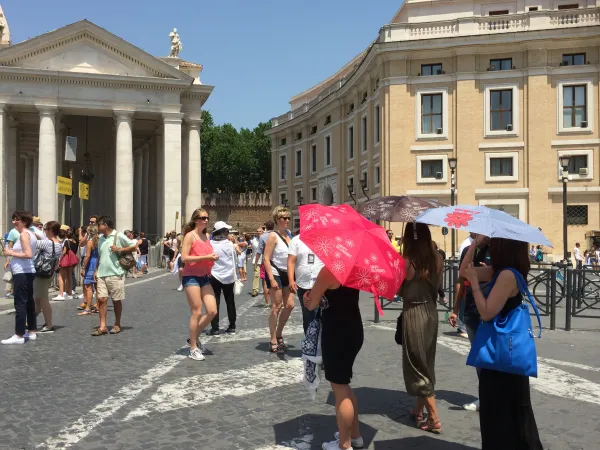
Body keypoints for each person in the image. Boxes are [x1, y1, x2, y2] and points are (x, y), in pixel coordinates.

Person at [461, 238, 543, 450]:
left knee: (501, 418)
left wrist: (476, 285)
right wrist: (475, 245)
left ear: (503, 247)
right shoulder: (501, 271)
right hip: (504, 356)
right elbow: (464, 271)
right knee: (510, 416)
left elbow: (487, 312)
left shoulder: (506, 275)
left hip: (501, 360)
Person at [304, 267, 364, 450]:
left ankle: (344, 445)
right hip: (353, 329)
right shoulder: (355, 269)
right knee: (344, 384)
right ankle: (354, 436)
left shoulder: (329, 271)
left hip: (336, 332)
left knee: (339, 387)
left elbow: (312, 304)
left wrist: (307, 296)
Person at [400, 222, 443, 433]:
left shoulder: (407, 262)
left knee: (415, 364)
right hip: (431, 312)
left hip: (414, 313)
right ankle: (418, 410)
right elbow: (436, 286)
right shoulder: (437, 258)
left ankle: (434, 418)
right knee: (426, 360)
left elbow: (398, 290)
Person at [449, 233, 491, 412]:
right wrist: (455, 309)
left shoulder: (497, 251)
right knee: (479, 357)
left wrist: (487, 271)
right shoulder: (469, 250)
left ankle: (493, 396)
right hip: (471, 312)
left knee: (491, 357)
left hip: (490, 311)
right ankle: (485, 396)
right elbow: (461, 278)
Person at [180, 208, 219, 361]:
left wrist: (213, 257)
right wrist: (207, 256)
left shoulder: (206, 236)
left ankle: (193, 337)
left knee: (212, 311)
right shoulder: (190, 236)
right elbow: (184, 257)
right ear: (196, 220)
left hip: (204, 276)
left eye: (207, 218)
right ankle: (193, 348)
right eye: (202, 218)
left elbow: (206, 254)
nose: (206, 220)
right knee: (197, 312)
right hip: (191, 277)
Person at [92, 216, 138, 336]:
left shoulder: (118, 235)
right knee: (101, 299)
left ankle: (117, 324)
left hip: (116, 273)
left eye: (99, 225)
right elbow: (100, 256)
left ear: (105, 225)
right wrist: (96, 270)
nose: (98, 227)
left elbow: (134, 246)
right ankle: (102, 326)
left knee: (116, 300)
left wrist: (120, 249)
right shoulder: (101, 239)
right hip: (102, 273)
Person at [2, 211, 38, 345]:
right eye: (13, 219)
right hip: (28, 271)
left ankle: (19, 334)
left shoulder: (23, 235)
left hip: (22, 272)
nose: (13, 222)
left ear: (24, 221)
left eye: (16, 220)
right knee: (29, 302)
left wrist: (10, 252)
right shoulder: (32, 234)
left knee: (20, 303)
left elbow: (28, 254)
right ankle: (32, 331)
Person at [263, 207, 294, 353]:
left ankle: (279, 332)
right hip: (275, 273)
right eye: (283, 218)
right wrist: (271, 278)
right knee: (276, 306)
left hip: (288, 274)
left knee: (289, 305)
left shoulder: (289, 235)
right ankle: (273, 339)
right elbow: (266, 258)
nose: (287, 220)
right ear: (277, 220)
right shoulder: (273, 236)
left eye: (288, 218)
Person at [287, 233, 324, 334]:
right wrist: (291, 280)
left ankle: (322, 344)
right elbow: (291, 261)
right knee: (308, 315)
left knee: (322, 314)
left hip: (321, 284)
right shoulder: (296, 240)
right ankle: (309, 344)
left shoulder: (323, 239)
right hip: (303, 283)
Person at [209, 221, 238, 335]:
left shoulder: (210, 244)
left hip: (214, 275)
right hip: (228, 276)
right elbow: (234, 261)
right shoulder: (230, 245)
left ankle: (215, 327)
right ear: (222, 232)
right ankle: (232, 326)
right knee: (230, 301)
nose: (228, 233)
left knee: (215, 301)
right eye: (227, 231)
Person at [34, 221, 63, 332]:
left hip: (41, 273)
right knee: (38, 298)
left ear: (50, 231)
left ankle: (49, 323)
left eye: (45, 229)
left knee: (43, 299)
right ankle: (30, 320)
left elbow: (32, 243)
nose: (44, 231)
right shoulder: (58, 244)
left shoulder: (47, 243)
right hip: (49, 272)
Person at [78, 225, 100, 316]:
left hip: (91, 264)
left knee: (88, 286)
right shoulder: (99, 241)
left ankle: (87, 308)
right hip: (97, 263)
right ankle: (98, 305)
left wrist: (83, 267)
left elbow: (87, 256)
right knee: (97, 286)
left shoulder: (90, 242)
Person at [54, 227, 78, 301]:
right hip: (71, 261)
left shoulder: (66, 242)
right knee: (69, 276)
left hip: (65, 260)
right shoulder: (75, 241)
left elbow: (64, 252)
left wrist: (59, 259)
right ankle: (69, 293)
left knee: (61, 277)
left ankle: (61, 294)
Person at [257, 222, 274, 308]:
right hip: (275, 262)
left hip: (265, 261)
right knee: (277, 281)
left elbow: (259, 251)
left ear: (266, 228)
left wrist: (256, 262)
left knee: (265, 282)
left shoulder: (262, 237)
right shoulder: (277, 235)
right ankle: (278, 302)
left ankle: (267, 303)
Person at [4, 223, 20, 299]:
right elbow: (9, 248)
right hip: (13, 258)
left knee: (14, 276)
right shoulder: (13, 232)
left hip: (18, 258)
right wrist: (7, 261)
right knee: (10, 275)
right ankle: (9, 292)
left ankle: (12, 291)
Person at [251, 228, 263, 297]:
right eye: (257, 231)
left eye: (260, 231)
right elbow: (254, 251)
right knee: (256, 275)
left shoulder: (265, 239)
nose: (258, 233)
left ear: (262, 232)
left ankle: (267, 290)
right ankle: (255, 290)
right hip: (256, 260)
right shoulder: (254, 240)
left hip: (264, 260)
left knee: (266, 277)